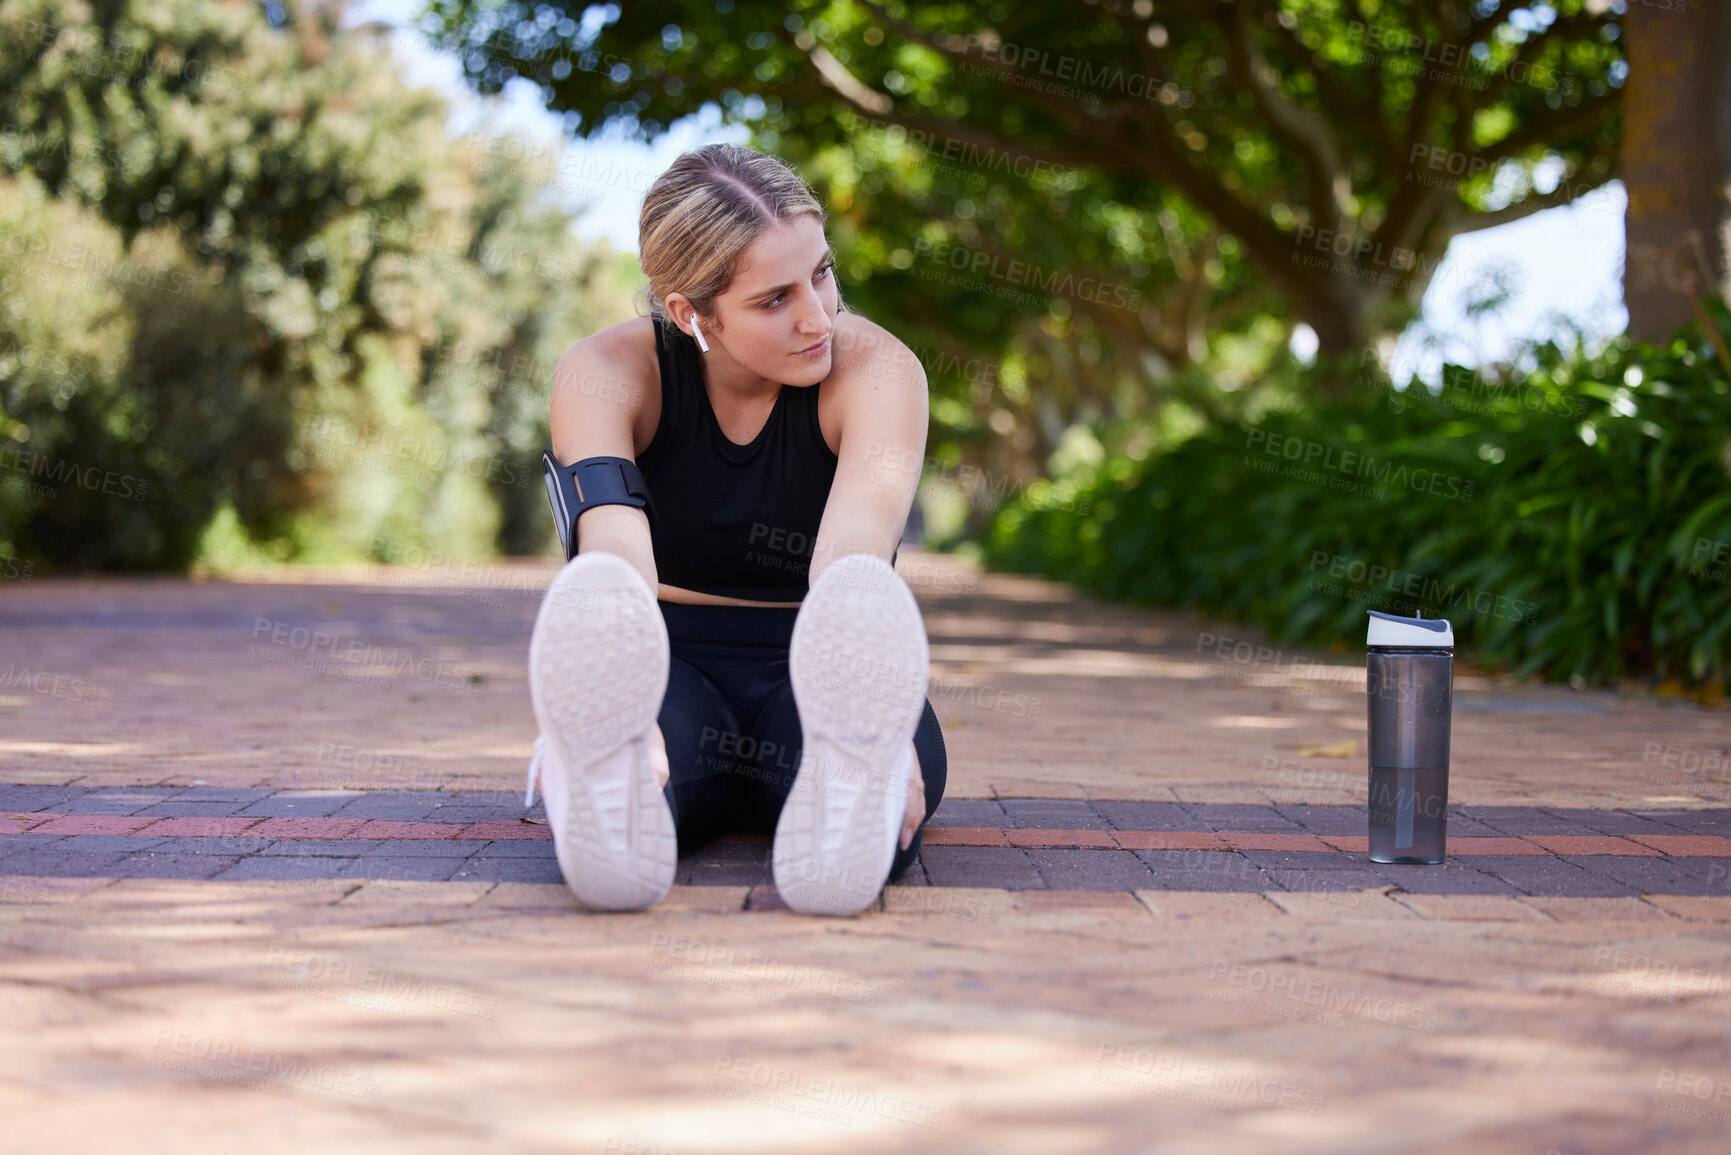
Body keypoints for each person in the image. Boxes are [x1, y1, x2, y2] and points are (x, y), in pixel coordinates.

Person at [523, 143, 946, 917]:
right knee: (643, 778)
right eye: (773, 298)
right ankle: (608, 778)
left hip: (822, 663)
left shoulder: (879, 370)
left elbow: (853, 559)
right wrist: (620, 698)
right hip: (668, 665)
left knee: (863, 771)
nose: (817, 315)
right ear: (688, 311)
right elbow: (612, 552)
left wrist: (875, 715)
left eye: (821, 271)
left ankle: (858, 779)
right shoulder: (606, 371)